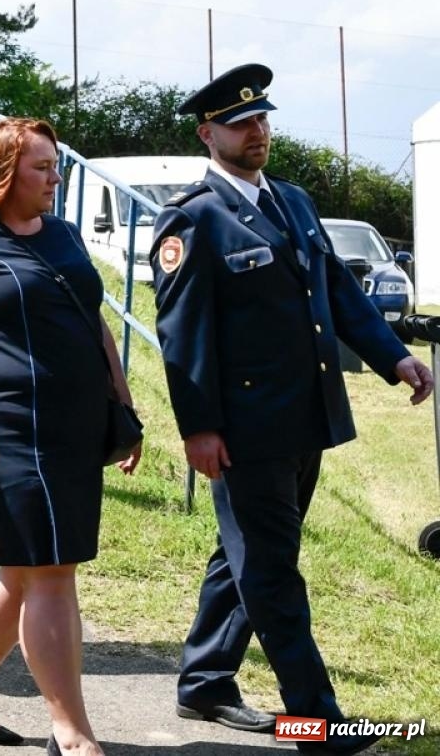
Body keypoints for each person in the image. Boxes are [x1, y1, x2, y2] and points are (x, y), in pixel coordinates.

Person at [150, 65, 433, 752]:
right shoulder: (193, 219)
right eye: (242, 123)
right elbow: (181, 337)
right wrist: (201, 429)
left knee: (246, 555)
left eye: (263, 119)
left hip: (305, 418)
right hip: (245, 431)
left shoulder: (294, 203)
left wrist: (393, 355)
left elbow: (337, 291)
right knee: (271, 570)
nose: (258, 132)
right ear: (207, 132)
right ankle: (319, 722)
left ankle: (206, 679)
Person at [0, 117, 139, 755]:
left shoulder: (63, 235)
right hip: (6, 430)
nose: (55, 178)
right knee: (50, 571)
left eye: (55, 165)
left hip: (76, 428)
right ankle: (74, 733)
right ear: (3, 173)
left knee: (22, 573)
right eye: (43, 167)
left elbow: (91, 324)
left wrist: (122, 406)